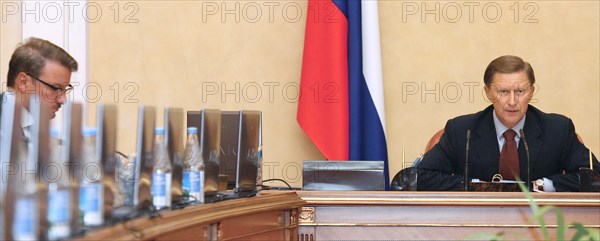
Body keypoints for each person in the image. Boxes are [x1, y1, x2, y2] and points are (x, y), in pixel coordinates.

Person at [417, 55, 600, 192]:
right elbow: (419, 178)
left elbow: (595, 177)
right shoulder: (462, 131)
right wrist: (475, 187)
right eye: (503, 91)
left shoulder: (557, 130)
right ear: (488, 93)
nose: (512, 101)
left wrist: (543, 186)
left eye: (520, 91)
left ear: (531, 92)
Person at [3, 37, 78, 120]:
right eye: (56, 88)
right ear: (23, 83)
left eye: (65, 90)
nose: (63, 100)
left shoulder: (35, 126)